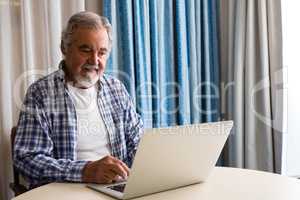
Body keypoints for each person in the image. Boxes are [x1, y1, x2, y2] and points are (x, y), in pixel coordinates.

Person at [13, 11, 143, 189]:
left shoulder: (117, 89)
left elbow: (137, 141)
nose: (94, 60)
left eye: (102, 52)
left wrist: (150, 163)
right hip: (66, 191)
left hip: (116, 188)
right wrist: (86, 171)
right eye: (86, 49)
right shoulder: (40, 94)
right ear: (65, 48)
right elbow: (27, 159)